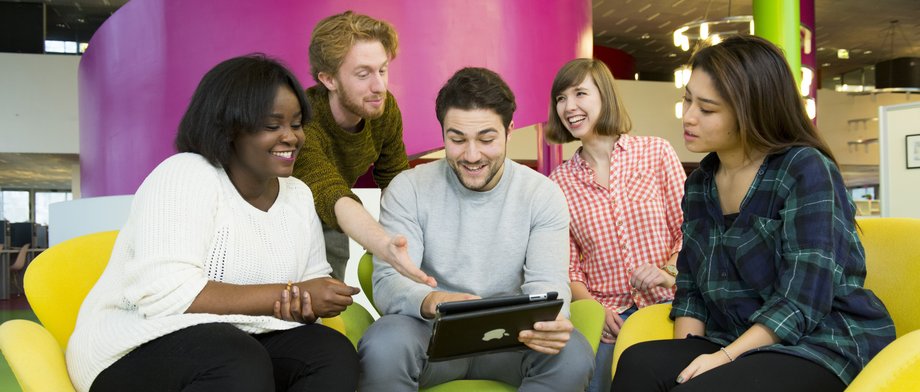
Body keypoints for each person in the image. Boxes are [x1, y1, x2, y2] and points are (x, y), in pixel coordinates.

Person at [611, 35, 895, 392]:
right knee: (639, 364)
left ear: (751, 111)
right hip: (737, 338)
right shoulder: (700, 183)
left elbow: (802, 299)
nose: (689, 116)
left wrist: (723, 358)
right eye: (687, 101)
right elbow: (693, 290)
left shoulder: (805, 169)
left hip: (820, 342)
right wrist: (686, 358)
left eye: (708, 109)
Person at [67, 55, 361, 392]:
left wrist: (308, 304)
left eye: (296, 124)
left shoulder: (298, 195)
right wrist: (288, 293)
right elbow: (168, 296)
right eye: (272, 125)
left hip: (242, 340)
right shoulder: (186, 174)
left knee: (331, 352)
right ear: (229, 127)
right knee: (235, 359)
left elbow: (310, 280)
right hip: (132, 346)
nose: (291, 137)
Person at [357, 67, 594, 391]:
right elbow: (389, 283)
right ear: (442, 134)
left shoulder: (542, 194)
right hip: (429, 333)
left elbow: (548, 283)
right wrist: (434, 301)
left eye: (486, 139)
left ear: (510, 131)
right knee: (383, 345)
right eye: (457, 139)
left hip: (511, 341)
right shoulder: (408, 188)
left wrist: (553, 321)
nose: (471, 155)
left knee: (573, 354)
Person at [546, 58, 685, 392]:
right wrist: (594, 309)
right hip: (607, 315)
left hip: (671, 304)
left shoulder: (656, 153)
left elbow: (691, 230)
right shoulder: (558, 183)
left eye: (580, 93)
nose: (569, 106)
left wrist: (669, 270)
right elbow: (568, 267)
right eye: (561, 98)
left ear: (605, 96)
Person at [293, 11, 434, 287]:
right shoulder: (303, 118)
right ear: (329, 80)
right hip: (283, 218)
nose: (379, 86)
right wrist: (382, 243)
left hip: (334, 212)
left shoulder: (384, 108)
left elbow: (395, 179)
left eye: (382, 70)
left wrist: (406, 238)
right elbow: (328, 190)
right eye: (363, 74)